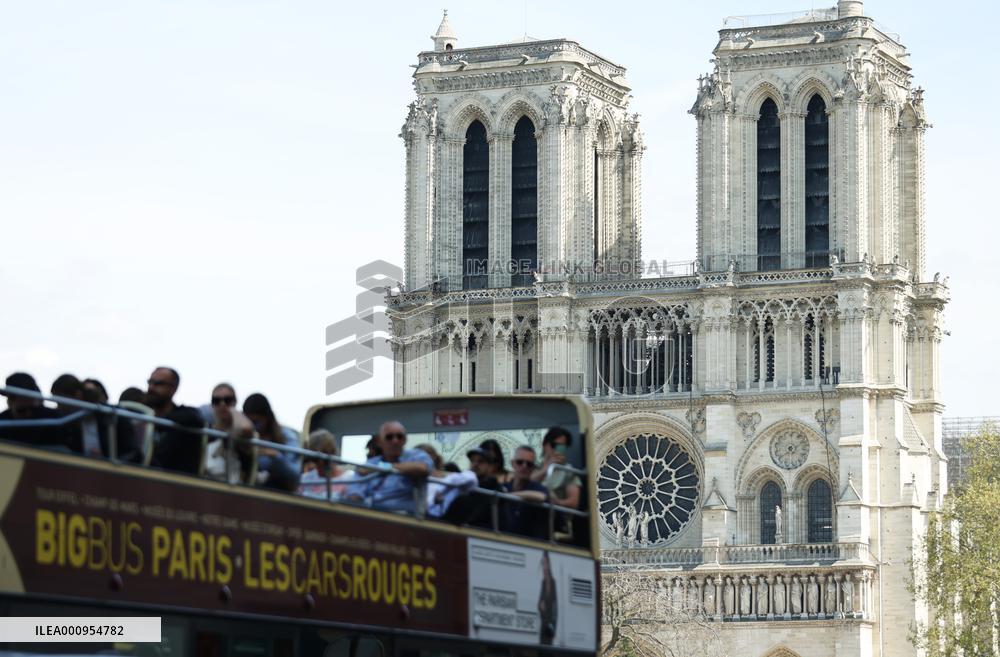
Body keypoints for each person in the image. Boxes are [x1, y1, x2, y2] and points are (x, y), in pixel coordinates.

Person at [51, 373, 139, 462]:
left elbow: (134, 454)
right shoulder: (67, 424)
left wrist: (107, 460)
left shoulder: (114, 416)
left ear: (77, 395)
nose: (59, 408)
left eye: (61, 403)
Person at [350, 421, 432, 513]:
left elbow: (423, 468)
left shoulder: (416, 456)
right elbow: (355, 493)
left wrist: (382, 467)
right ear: (380, 442)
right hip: (373, 514)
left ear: (405, 440)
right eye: (389, 437)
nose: (395, 441)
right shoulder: (370, 463)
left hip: (406, 517)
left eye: (400, 437)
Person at [147, 367, 206, 475]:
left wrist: (158, 423)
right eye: (150, 382)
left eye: (158, 383)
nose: (151, 388)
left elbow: (196, 419)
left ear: (173, 388)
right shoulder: (142, 413)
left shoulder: (186, 416)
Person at [243, 393, 300, 492]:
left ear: (267, 418)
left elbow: (295, 475)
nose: (253, 427)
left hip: (279, 492)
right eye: (249, 422)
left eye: (257, 422)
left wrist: (276, 457)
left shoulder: (287, 436)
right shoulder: (245, 436)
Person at [202, 383, 255, 483]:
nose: (222, 404)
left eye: (227, 400)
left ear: (235, 402)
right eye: (216, 401)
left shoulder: (239, 430)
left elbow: (246, 428)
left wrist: (232, 409)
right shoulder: (206, 430)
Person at [439, 445, 501, 527]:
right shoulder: (463, 488)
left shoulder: (496, 491)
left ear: (491, 467)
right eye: (472, 461)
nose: (475, 464)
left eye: (480, 461)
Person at [0, 372, 65, 449]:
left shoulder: (55, 420)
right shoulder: (2, 423)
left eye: (33, 410)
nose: (28, 413)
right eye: (22, 410)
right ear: (10, 402)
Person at [501, 445, 550, 539]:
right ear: (512, 464)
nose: (524, 466)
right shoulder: (505, 487)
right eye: (520, 462)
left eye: (529, 464)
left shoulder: (536, 487)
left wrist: (509, 496)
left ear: (533, 468)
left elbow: (541, 496)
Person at [298, 429, 354, 500]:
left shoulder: (350, 479)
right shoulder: (305, 479)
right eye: (314, 460)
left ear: (333, 454)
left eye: (324, 461)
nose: (318, 466)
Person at [538, 551, 558, 645]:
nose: (544, 566)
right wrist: (541, 606)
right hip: (543, 626)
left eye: (546, 563)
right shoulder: (543, 582)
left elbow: (555, 607)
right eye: (543, 563)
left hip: (550, 628)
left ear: (549, 564)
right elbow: (539, 603)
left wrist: (553, 625)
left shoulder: (553, 583)